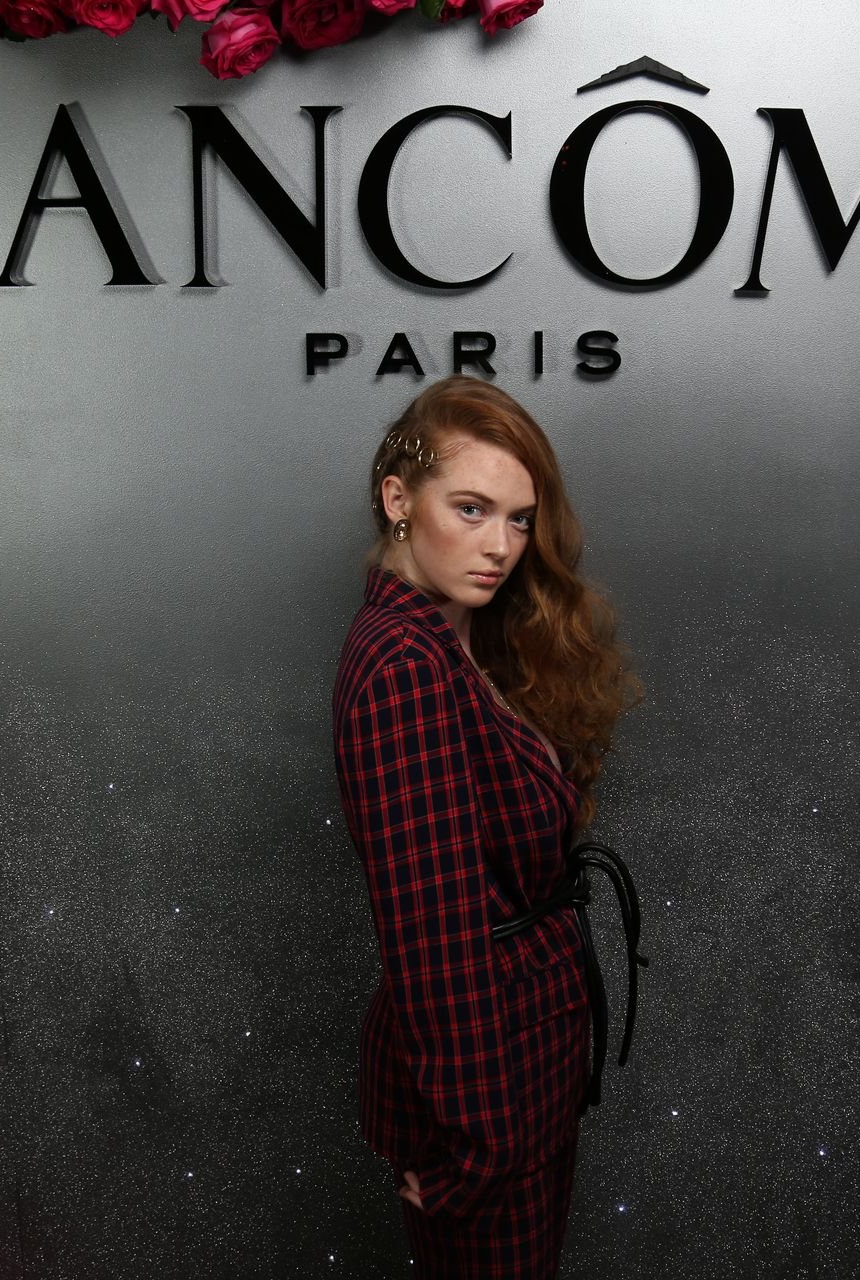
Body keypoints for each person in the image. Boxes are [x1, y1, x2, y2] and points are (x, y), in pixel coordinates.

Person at [330, 374, 645, 1277]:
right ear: (399, 499)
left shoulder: (453, 635)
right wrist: (476, 1151)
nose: (500, 545)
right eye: (470, 509)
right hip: (486, 1093)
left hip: (527, 1064)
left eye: (518, 519)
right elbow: (433, 938)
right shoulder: (403, 667)